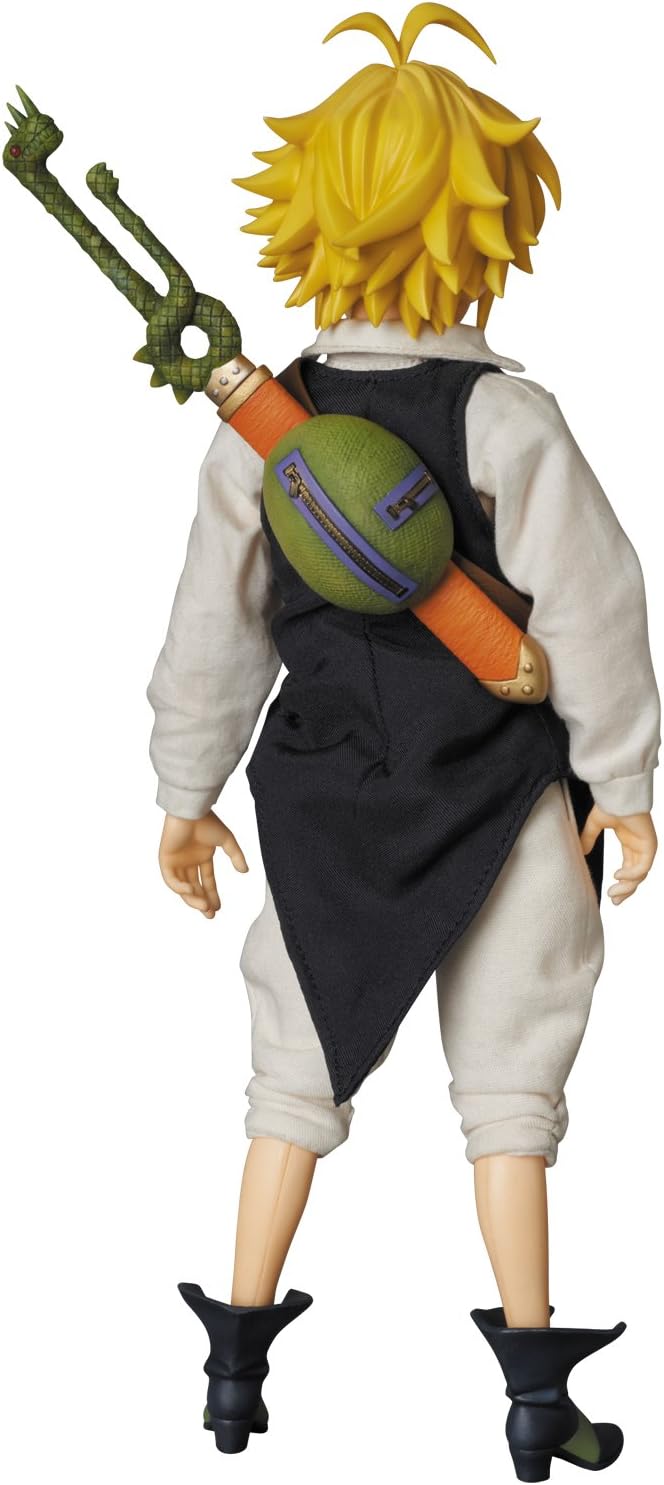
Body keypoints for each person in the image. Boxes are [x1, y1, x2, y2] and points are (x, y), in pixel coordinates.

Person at [147, 7, 660, 1476]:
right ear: (488, 218)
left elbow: (212, 628)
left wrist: (186, 789)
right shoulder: (506, 418)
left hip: (327, 804)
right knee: (513, 1088)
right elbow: (598, 612)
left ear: (309, 215)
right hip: (502, 797)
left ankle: (234, 1363)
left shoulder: (265, 426)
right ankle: (534, 1389)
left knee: (290, 1074)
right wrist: (621, 780)